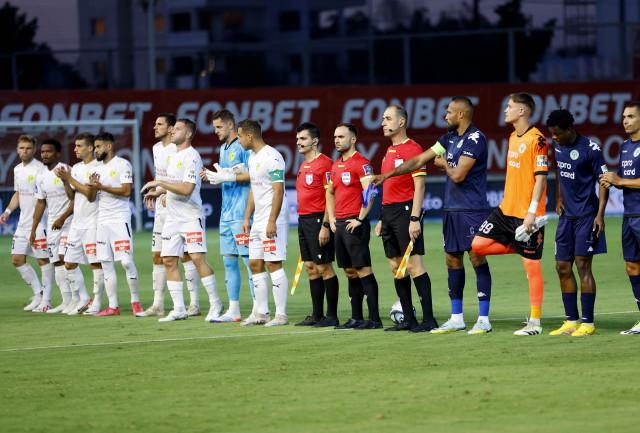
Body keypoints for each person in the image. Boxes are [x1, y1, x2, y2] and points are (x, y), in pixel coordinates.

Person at [471, 93, 549, 336]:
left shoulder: (538, 140)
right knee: (477, 246)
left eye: (510, 106)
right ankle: (519, 246)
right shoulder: (513, 137)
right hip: (505, 210)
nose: (505, 110)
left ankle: (535, 322)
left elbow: (541, 179)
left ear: (522, 111)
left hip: (527, 215)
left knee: (532, 267)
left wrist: (532, 212)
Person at [141, 118, 223, 322]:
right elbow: (174, 184)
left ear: (188, 134)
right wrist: (158, 192)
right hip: (172, 217)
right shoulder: (174, 156)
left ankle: (215, 304)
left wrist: (160, 183)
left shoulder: (192, 156)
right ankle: (178, 309)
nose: (172, 131)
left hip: (190, 217)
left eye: (177, 129)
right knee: (168, 260)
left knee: (197, 259)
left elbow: (186, 189)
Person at [374, 105, 438, 333]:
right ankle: (409, 320)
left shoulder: (413, 149)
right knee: (395, 267)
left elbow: (420, 186)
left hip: (406, 211)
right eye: (383, 118)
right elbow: (388, 189)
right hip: (389, 213)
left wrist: (414, 218)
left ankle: (429, 320)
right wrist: (381, 218)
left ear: (401, 122)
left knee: (413, 265)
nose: (383, 122)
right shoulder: (389, 151)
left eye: (388, 118)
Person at [546, 109, 608, 336]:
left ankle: (588, 323)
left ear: (570, 129)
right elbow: (560, 172)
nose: (554, 137)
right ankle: (571, 321)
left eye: (557, 133)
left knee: (583, 266)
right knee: (562, 267)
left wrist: (600, 215)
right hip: (566, 218)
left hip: (586, 216)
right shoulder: (558, 147)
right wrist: (559, 197)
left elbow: (603, 181)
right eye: (552, 134)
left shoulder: (591, 149)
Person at [326, 123, 382, 329]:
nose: (337, 140)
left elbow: (370, 192)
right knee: (349, 271)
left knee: (363, 270)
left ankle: (374, 319)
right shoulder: (335, 165)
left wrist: (360, 219)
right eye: (335, 136)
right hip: (340, 225)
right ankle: (356, 317)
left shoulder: (362, 163)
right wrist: (332, 218)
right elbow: (330, 192)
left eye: (341, 136)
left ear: (353, 139)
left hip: (354, 224)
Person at [201, 109, 254, 322]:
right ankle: (234, 310)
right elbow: (227, 177)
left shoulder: (243, 147)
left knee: (250, 261)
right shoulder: (223, 148)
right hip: (226, 214)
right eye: (214, 127)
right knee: (229, 261)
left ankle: (259, 308)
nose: (216, 131)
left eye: (219, 127)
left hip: (242, 212)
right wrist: (214, 176)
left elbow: (253, 175)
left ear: (230, 125)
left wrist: (226, 176)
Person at [238, 119, 290, 327]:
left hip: (272, 218)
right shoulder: (252, 157)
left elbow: (278, 190)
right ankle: (261, 313)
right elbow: (254, 188)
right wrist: (246, 217)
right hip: (258, 218)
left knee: (273, 263)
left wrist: (272, 220)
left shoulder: (273, 157)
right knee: (255, 263)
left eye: (240, 136)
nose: (239, 140)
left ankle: (281, 315)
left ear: (250, 136)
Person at [89, 132, 142, 316]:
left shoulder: (122, 164)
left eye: (98, 147)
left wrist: (101, 186)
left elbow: (126, 191)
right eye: (95, 147)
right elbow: (91, 198)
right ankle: (113, 306)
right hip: (102, 221)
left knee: (126, 262)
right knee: (105, 264)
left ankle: (135, 301)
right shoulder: (95, 168)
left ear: (109, 146)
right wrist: (92, 186)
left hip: (119, 219)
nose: (95, 150)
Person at [293, 122, 340, 327]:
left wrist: (326, 225)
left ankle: (332, 316)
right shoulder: (303, 165)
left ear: (315, 141)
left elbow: (332, 196)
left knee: (324, 267)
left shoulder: (326, 164)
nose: (298, 142)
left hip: (319, 220)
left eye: (303, 138)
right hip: (303, 220)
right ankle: (317, 315)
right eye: (297, 139)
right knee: (311, 268)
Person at [0, 135, 53, 312]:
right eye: (22, 148)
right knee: (17, 259)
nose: (25, 151)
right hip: (23, 224)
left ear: (34, 150)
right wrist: (7, 211)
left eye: (28, 148)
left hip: (40, 223)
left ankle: (47, 300)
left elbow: (45, 197)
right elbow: (18, 194)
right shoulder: (17, 169)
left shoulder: (40, 169)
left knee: (43, 260)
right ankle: (38, 294)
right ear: (17, 150)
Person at [600, 100, 640, 335]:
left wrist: (620, 180)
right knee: (632, 266)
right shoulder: (625, 146)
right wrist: (611, 181)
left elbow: (625, 180)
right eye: (624, 116)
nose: (625, 120)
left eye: (631, 116)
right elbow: (625, 179)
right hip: (629, 215)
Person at [55, 133, 105, 315]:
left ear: (90, 148)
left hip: (93, 223)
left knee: (95, 264)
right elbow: (72, 196)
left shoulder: (98, 167)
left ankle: (97, 302)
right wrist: (65, 182)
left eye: (79, 146)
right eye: (75, 146)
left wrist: (70, 178)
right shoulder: (76, 168)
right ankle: (84, 298)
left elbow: (91, 196)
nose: (75, 149)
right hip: (77, 223)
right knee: (69, 263)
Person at [30, 139, 75, 314]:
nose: (45, 155)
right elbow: (41, 203)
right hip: (52, 225)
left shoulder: (66, 170)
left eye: (48, 151)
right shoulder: (40, 175)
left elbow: (75, 199)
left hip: (69, 222)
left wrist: (63, 218)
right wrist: (33, 229)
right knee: (56, 261)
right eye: (42, 152)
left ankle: (78, 299)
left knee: (66, 258)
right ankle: (66, 301)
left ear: (58, 153)